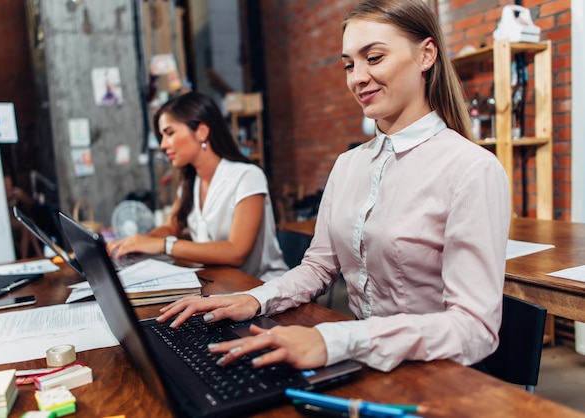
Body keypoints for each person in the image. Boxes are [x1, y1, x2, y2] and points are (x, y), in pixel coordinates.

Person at [157, 0, 510, 373]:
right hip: (363, 362)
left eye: (373, 58)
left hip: (439, 374)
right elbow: (319, 267)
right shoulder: (348, 165)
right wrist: (254, 299)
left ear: (426, 55)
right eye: (349, 64)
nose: (356, 77)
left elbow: (475, 329)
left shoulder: (472, 169)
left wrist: (337, 339)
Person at [107, 91, 288, 281]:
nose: (163, 144)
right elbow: (171, 227)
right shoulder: (189, 184)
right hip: (220, 287)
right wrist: (135, 245)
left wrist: (162, 245)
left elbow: (236, 252)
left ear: (202, 132)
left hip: (263, 288)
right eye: (161, 136)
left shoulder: (247, 176)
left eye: (169, 133)